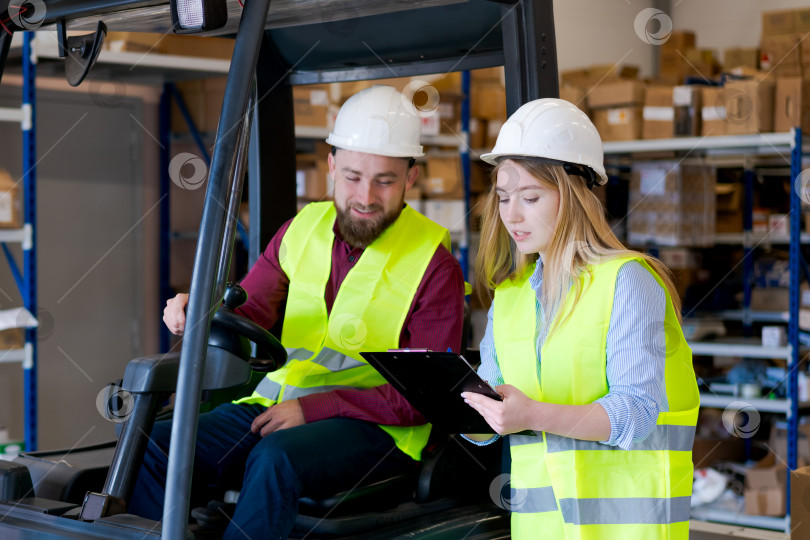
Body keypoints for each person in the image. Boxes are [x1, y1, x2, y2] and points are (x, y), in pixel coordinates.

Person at [130, 85, 466, 539]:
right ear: (330, 167)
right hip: (281, 407)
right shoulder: (300, 230)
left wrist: (316, 407)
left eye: (384, 180)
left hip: (380, 430)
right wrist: (200, 313)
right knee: (153, 441)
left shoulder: (434, 264)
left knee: (276, 458)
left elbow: (425, 400)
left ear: (410, 178)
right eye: (351, 176)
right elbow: (248, 313)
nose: (365, 196)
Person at [461, 98, 699, 539]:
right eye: (504, 198)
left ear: (573, 197)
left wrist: (531, 414)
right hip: (541, 529)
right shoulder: (509, 298)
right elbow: (493, 423)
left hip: (626, 529)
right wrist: (461, 408)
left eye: (530, 197)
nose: (511, 215)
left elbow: (636, 414)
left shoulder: (627, 282)